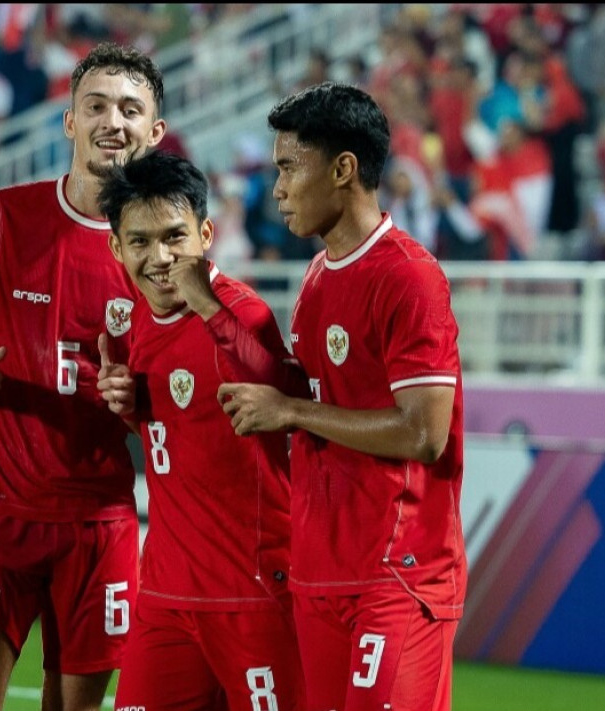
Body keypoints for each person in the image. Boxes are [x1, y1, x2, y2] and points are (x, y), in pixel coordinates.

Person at [0, 42, 167, 710]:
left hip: (98, 523)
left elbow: (177, 398)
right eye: (97, 106)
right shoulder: (4, 216)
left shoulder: (164, 251)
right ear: (69, 120)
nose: (112, 121)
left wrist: (135, 401)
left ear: (154, 131)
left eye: (130, 109)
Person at [218, 82, 466, 711]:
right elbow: (312, 395)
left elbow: (424, 434)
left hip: (398, 575)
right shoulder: (317, 277)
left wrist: (290, 411)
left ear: (343, 169)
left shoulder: (409, 276)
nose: (277, 188)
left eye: (288, 167)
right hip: (320, 574)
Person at [94, 150, 305, 710]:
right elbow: (177, 434)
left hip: (253, 593)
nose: (159, 258)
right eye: (139, 242)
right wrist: (128, 406)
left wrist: (208, 308)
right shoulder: (133, 323)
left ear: (205, 234)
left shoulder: (242, 314)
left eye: (174, 237)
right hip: (165, 595)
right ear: (116, 248)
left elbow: (287, 396)